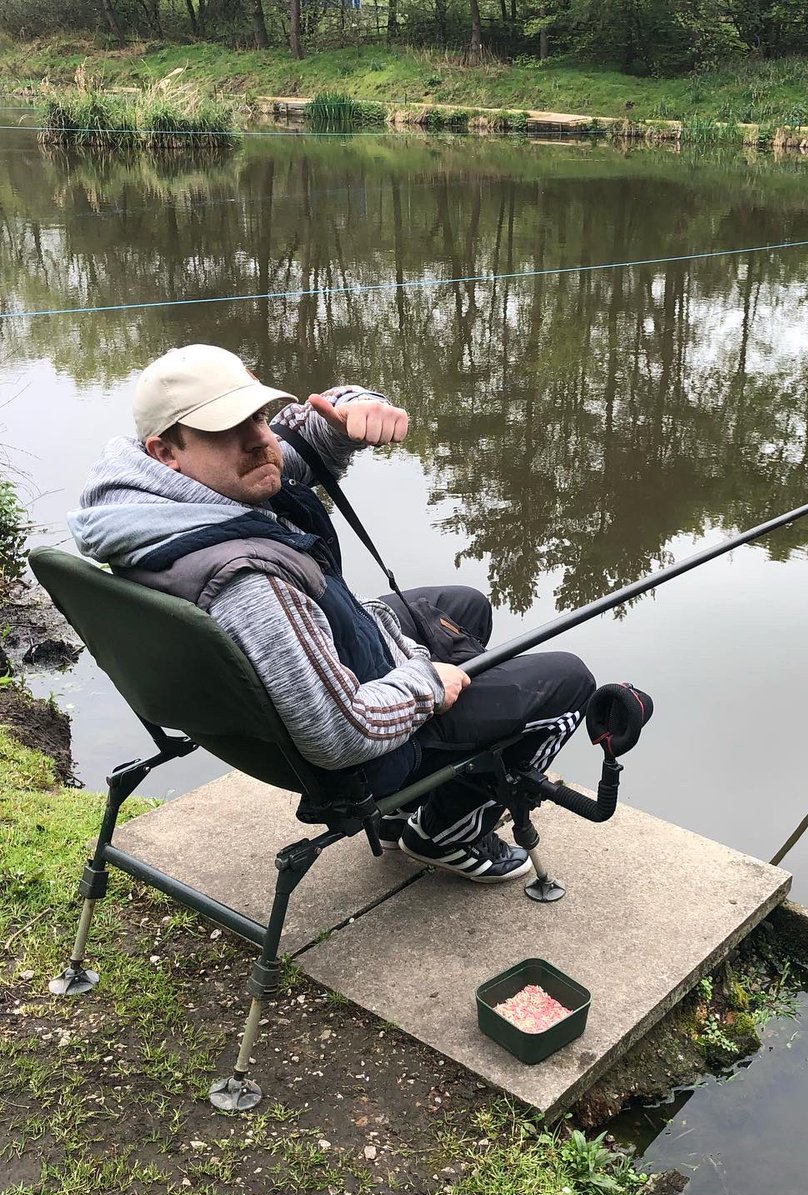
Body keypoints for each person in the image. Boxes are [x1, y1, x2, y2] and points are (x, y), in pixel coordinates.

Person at [68, 344, 595, 883]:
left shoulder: (155, 507)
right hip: (364, 753)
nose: (260, 440)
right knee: (568, 679)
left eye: (258, 416)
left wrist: (354, 406)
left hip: (299, 695)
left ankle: (426, 797)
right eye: (227, 430)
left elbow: (305, 441)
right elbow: (339, 734)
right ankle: (445, 830)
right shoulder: (248, 583)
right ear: (165, 452)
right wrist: (426, 684)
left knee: (463, 607)